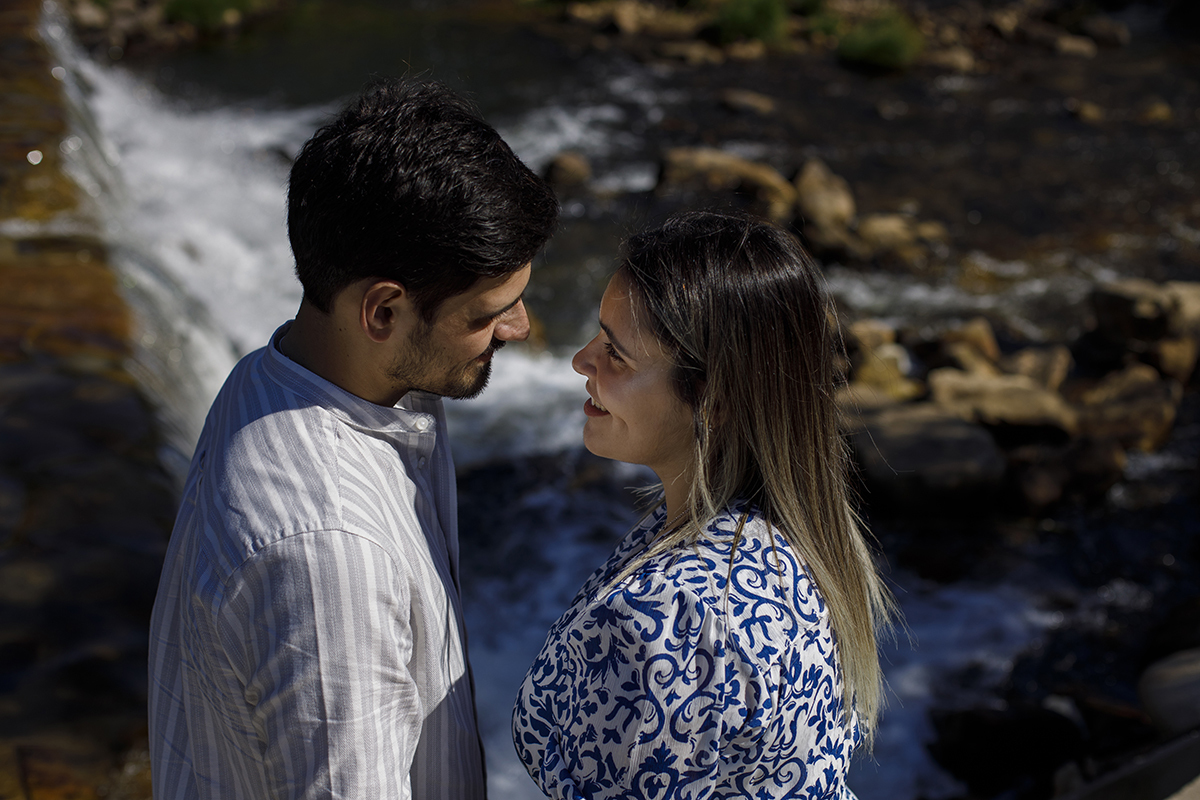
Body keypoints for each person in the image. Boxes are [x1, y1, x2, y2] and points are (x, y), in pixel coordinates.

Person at [149, 78, 558, 800]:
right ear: (383, 312)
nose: (521, 329)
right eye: (490, 311)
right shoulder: (328, 558)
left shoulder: (277, 374)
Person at [513, 210, 895, 799]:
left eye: (616, 354)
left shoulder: (670, 618)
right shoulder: (792, 548)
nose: (580, 360)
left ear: (713, 402)